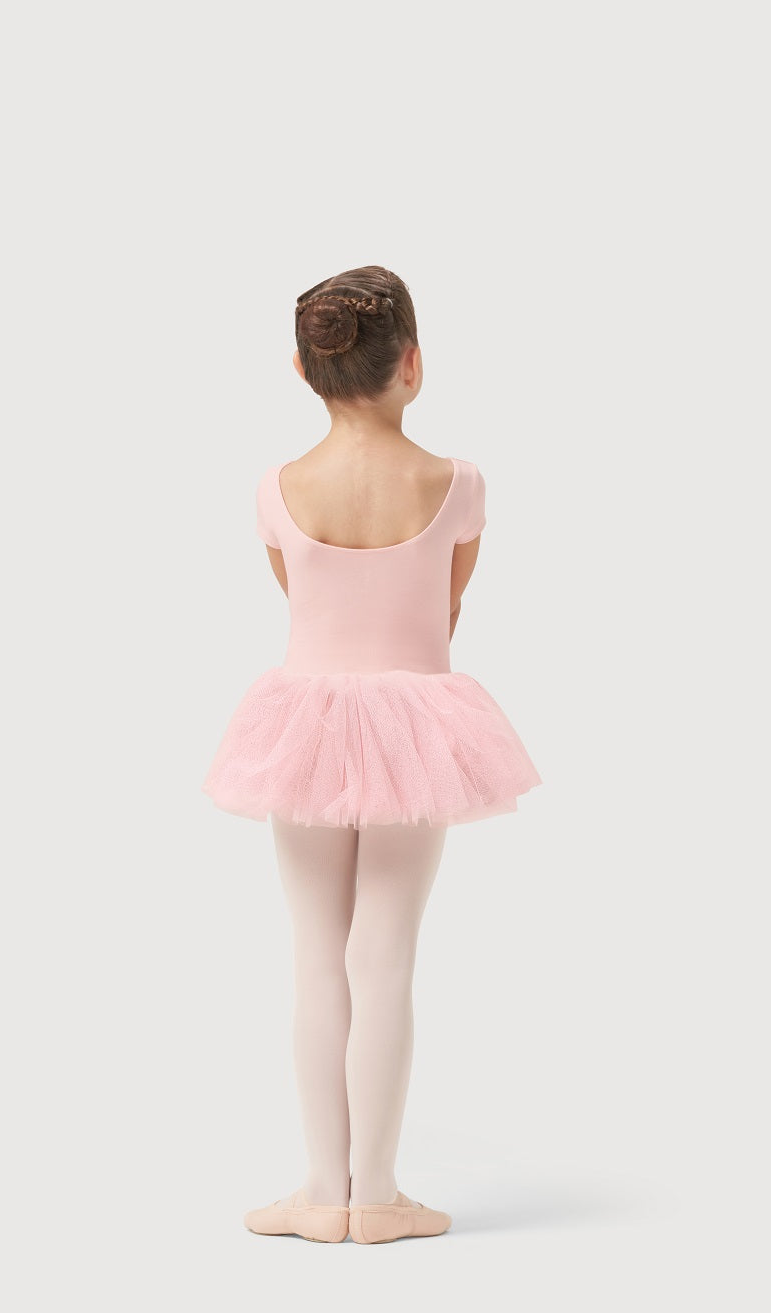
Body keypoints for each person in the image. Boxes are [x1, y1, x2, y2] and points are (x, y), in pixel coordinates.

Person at [202, 265, 543, 1245]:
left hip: (301, 727)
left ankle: (323, 1194)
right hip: (419, 728)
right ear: (413, 363)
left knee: (317, 954)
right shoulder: (457, 484)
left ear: (301, 369)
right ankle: (379, 1196)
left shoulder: (276, 489)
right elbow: (445, 607)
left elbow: (302, 598)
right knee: (384, 956)